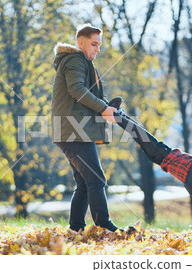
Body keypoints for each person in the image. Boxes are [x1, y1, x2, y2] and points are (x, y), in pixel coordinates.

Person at [108, 97, 192, 209]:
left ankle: (116, 114)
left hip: (163, 153)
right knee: (138, 134)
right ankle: (117, 114)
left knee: (139, 133)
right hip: (160, 159)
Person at [51, 24, 121, 232]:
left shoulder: (80, 62)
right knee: (96, 178)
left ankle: (76, 229)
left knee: (84, 182)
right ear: (80, 43)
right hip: (74, 131)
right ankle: (103, 225)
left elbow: (89, 93)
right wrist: (103, 108)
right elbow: (77, 89)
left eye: (99, 45)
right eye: (94, 44)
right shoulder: (75, 60)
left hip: (73, 131)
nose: (97, 49)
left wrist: (108, 107)